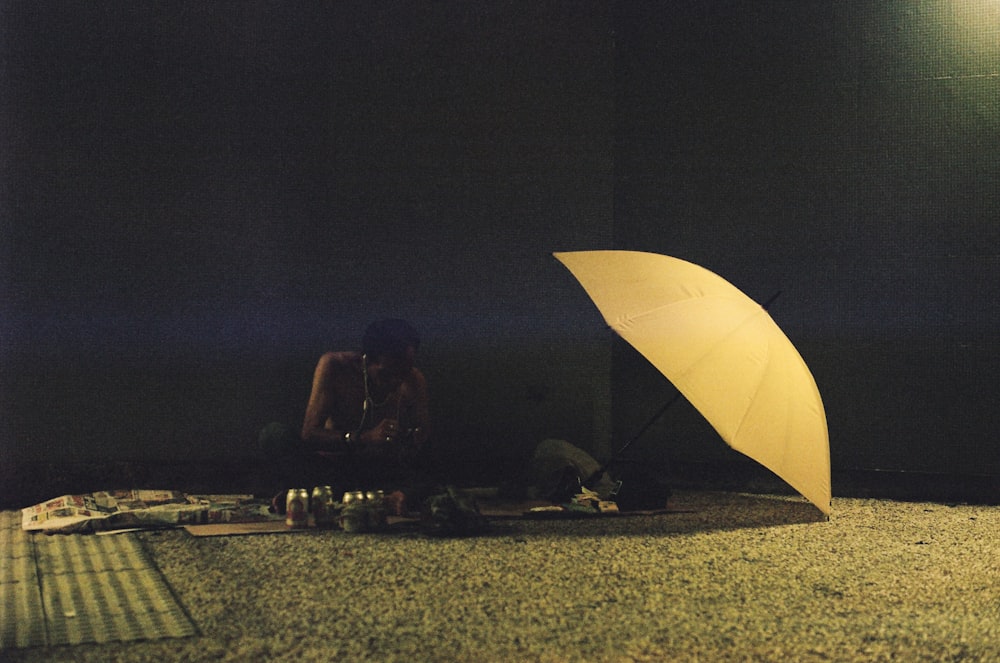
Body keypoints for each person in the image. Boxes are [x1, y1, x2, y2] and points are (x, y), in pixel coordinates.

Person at [260, 319, 433, 514]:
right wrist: (363, 438)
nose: (396, 381)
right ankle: (343, 495)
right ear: (367, 360)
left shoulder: (413, 379)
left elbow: (423, 435)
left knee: (433, 478)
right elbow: (309, 434)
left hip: (379, 471)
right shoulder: (335, 366)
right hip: (334, 467)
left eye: (403, 372)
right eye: (387, 374)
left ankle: (322, 496)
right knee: (274, 435)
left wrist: (410, 438)